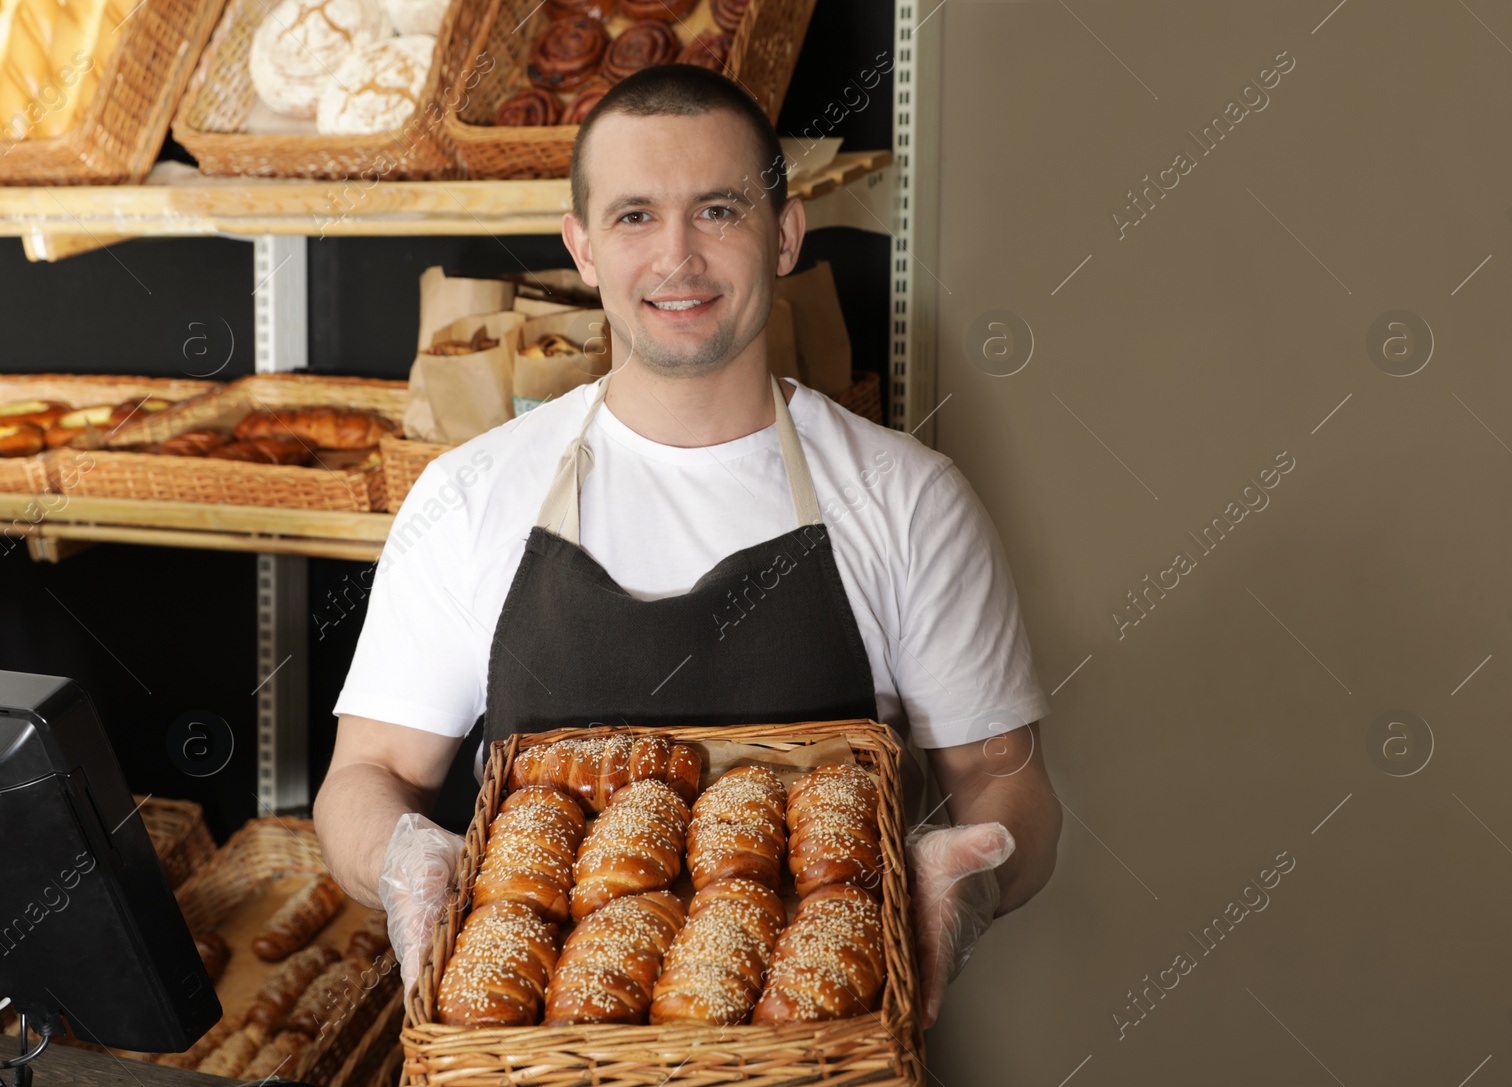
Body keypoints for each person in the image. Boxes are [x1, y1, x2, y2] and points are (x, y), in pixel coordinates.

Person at [313, 63, 1061, 1027]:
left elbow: (1008, 782)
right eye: (633, 216)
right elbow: (364, 775)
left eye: (717, 210)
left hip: (815, 1053)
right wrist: (407, 863)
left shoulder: (908, 501)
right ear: (581, 247)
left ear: (785, 234)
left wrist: (965, 888)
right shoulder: (469, 496)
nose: (677, 258)